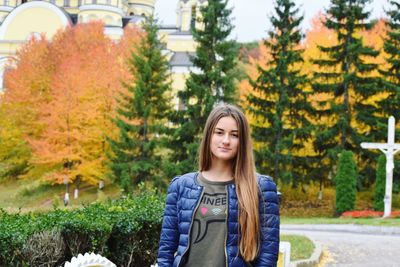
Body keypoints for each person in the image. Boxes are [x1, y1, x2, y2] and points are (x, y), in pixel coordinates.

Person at [157, 104, 280, 267]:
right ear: (209, 135)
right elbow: (166, 251)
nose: (226, 140)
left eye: (234, 135)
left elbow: (268, 257)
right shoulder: (181, 186)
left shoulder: (261, 188)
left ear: (242, 141)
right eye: (219, 132)